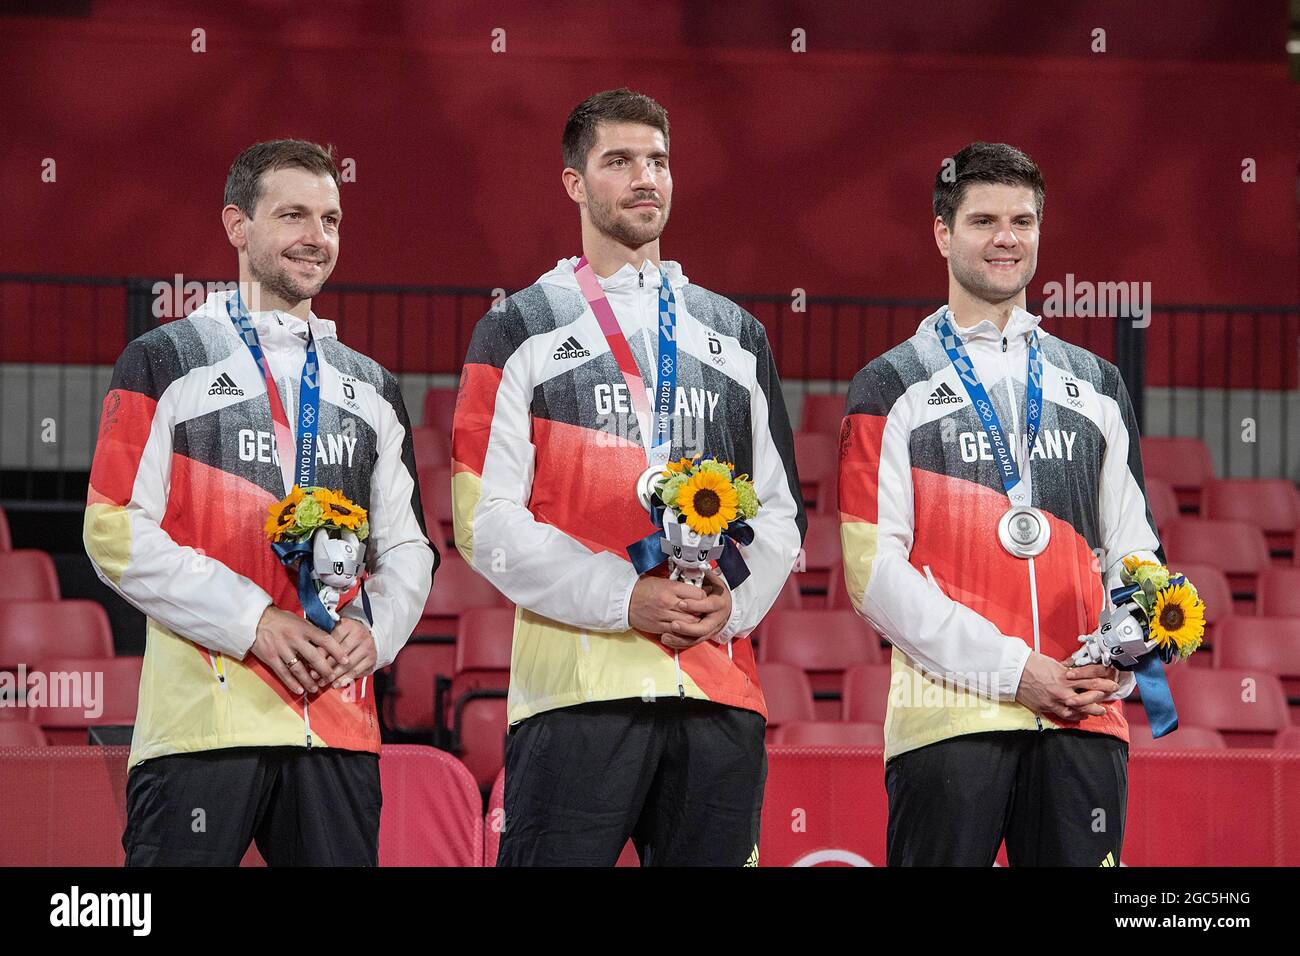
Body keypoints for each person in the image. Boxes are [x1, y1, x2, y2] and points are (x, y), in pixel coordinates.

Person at [452, 88, 806, 866]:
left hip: (717, 695)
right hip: (573, 701)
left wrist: (729, 603)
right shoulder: (519, 328)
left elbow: (781, 513)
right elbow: (484, 521)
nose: (646, 177)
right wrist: (626, 598)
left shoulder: (735, 333)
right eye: (620, 161)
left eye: (658, 161)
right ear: (575, 183)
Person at [84, 139, 437, 866]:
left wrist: (375, 631)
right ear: (237, 226)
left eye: (331, 219)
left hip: (336, 724)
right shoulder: (165, 358)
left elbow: (407, 548)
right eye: (294, 215)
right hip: (201, 732)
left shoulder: (370, 386)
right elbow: (113, 529)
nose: (317, 237)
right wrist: (254, 623)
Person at [838, 142, 1159, 866]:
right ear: (943, 233)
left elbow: (1135, 551)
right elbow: (872, 573)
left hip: (1085, 722)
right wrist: (1017, 672)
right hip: (948, 727)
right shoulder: (890, 386)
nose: (1006, 237)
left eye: (1022, 220)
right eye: (983, 220)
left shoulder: (1098, 384)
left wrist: (1125, 648)